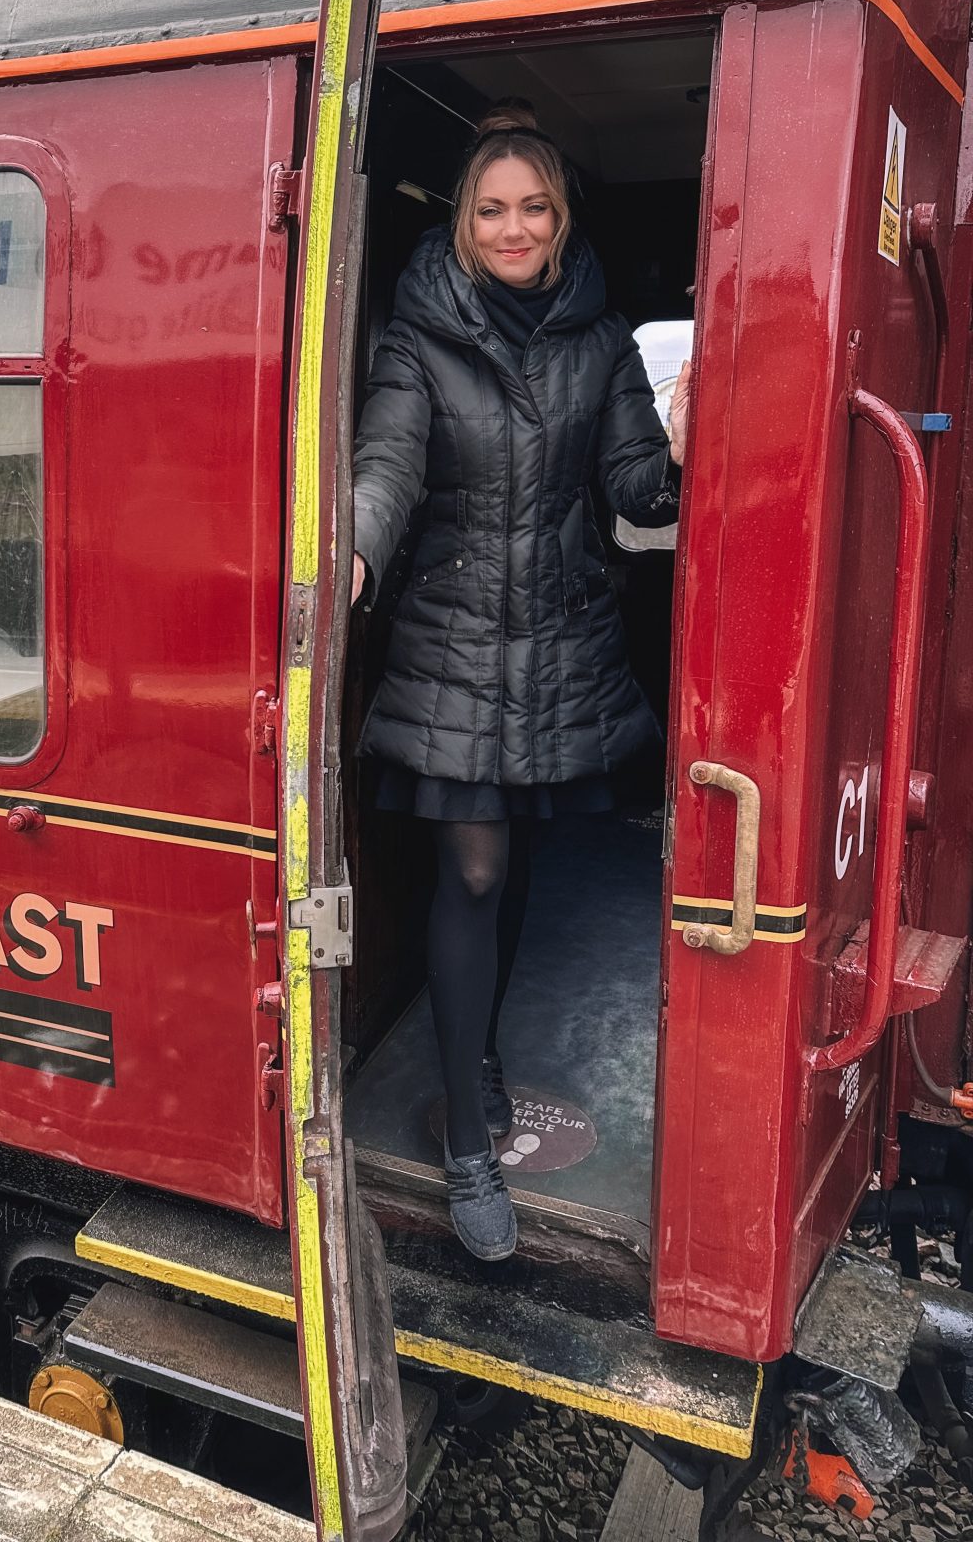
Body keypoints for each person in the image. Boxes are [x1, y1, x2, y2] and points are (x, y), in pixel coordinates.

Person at [348, 108, 690, 1262]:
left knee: (523, 860)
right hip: (451, 644)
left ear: (560, 218)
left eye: (532, 207)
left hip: (562, 645)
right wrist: (348, 550)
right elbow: (385, 464)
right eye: (491, 209)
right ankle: (464, 1152)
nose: (513, 227)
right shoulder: (416, 338)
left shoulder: (602, 343)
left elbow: (640, 489)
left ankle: (480, 1046)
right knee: (477, 866)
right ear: (462, 221)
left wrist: (690, 443)